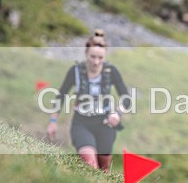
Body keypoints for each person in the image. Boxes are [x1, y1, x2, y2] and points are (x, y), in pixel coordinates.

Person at [47, 32, 132, 172]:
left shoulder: (111, 71)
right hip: (81, 123)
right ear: (86, 53)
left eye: (100, 58)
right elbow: (60, 95)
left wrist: (117, 114)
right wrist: (53, 121)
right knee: (90, 165)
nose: (96, 62)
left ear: (105, 57)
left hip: (105, 124)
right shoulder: (75, 72)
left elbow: (126, 98)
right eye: (92, 57)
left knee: (104, 169)